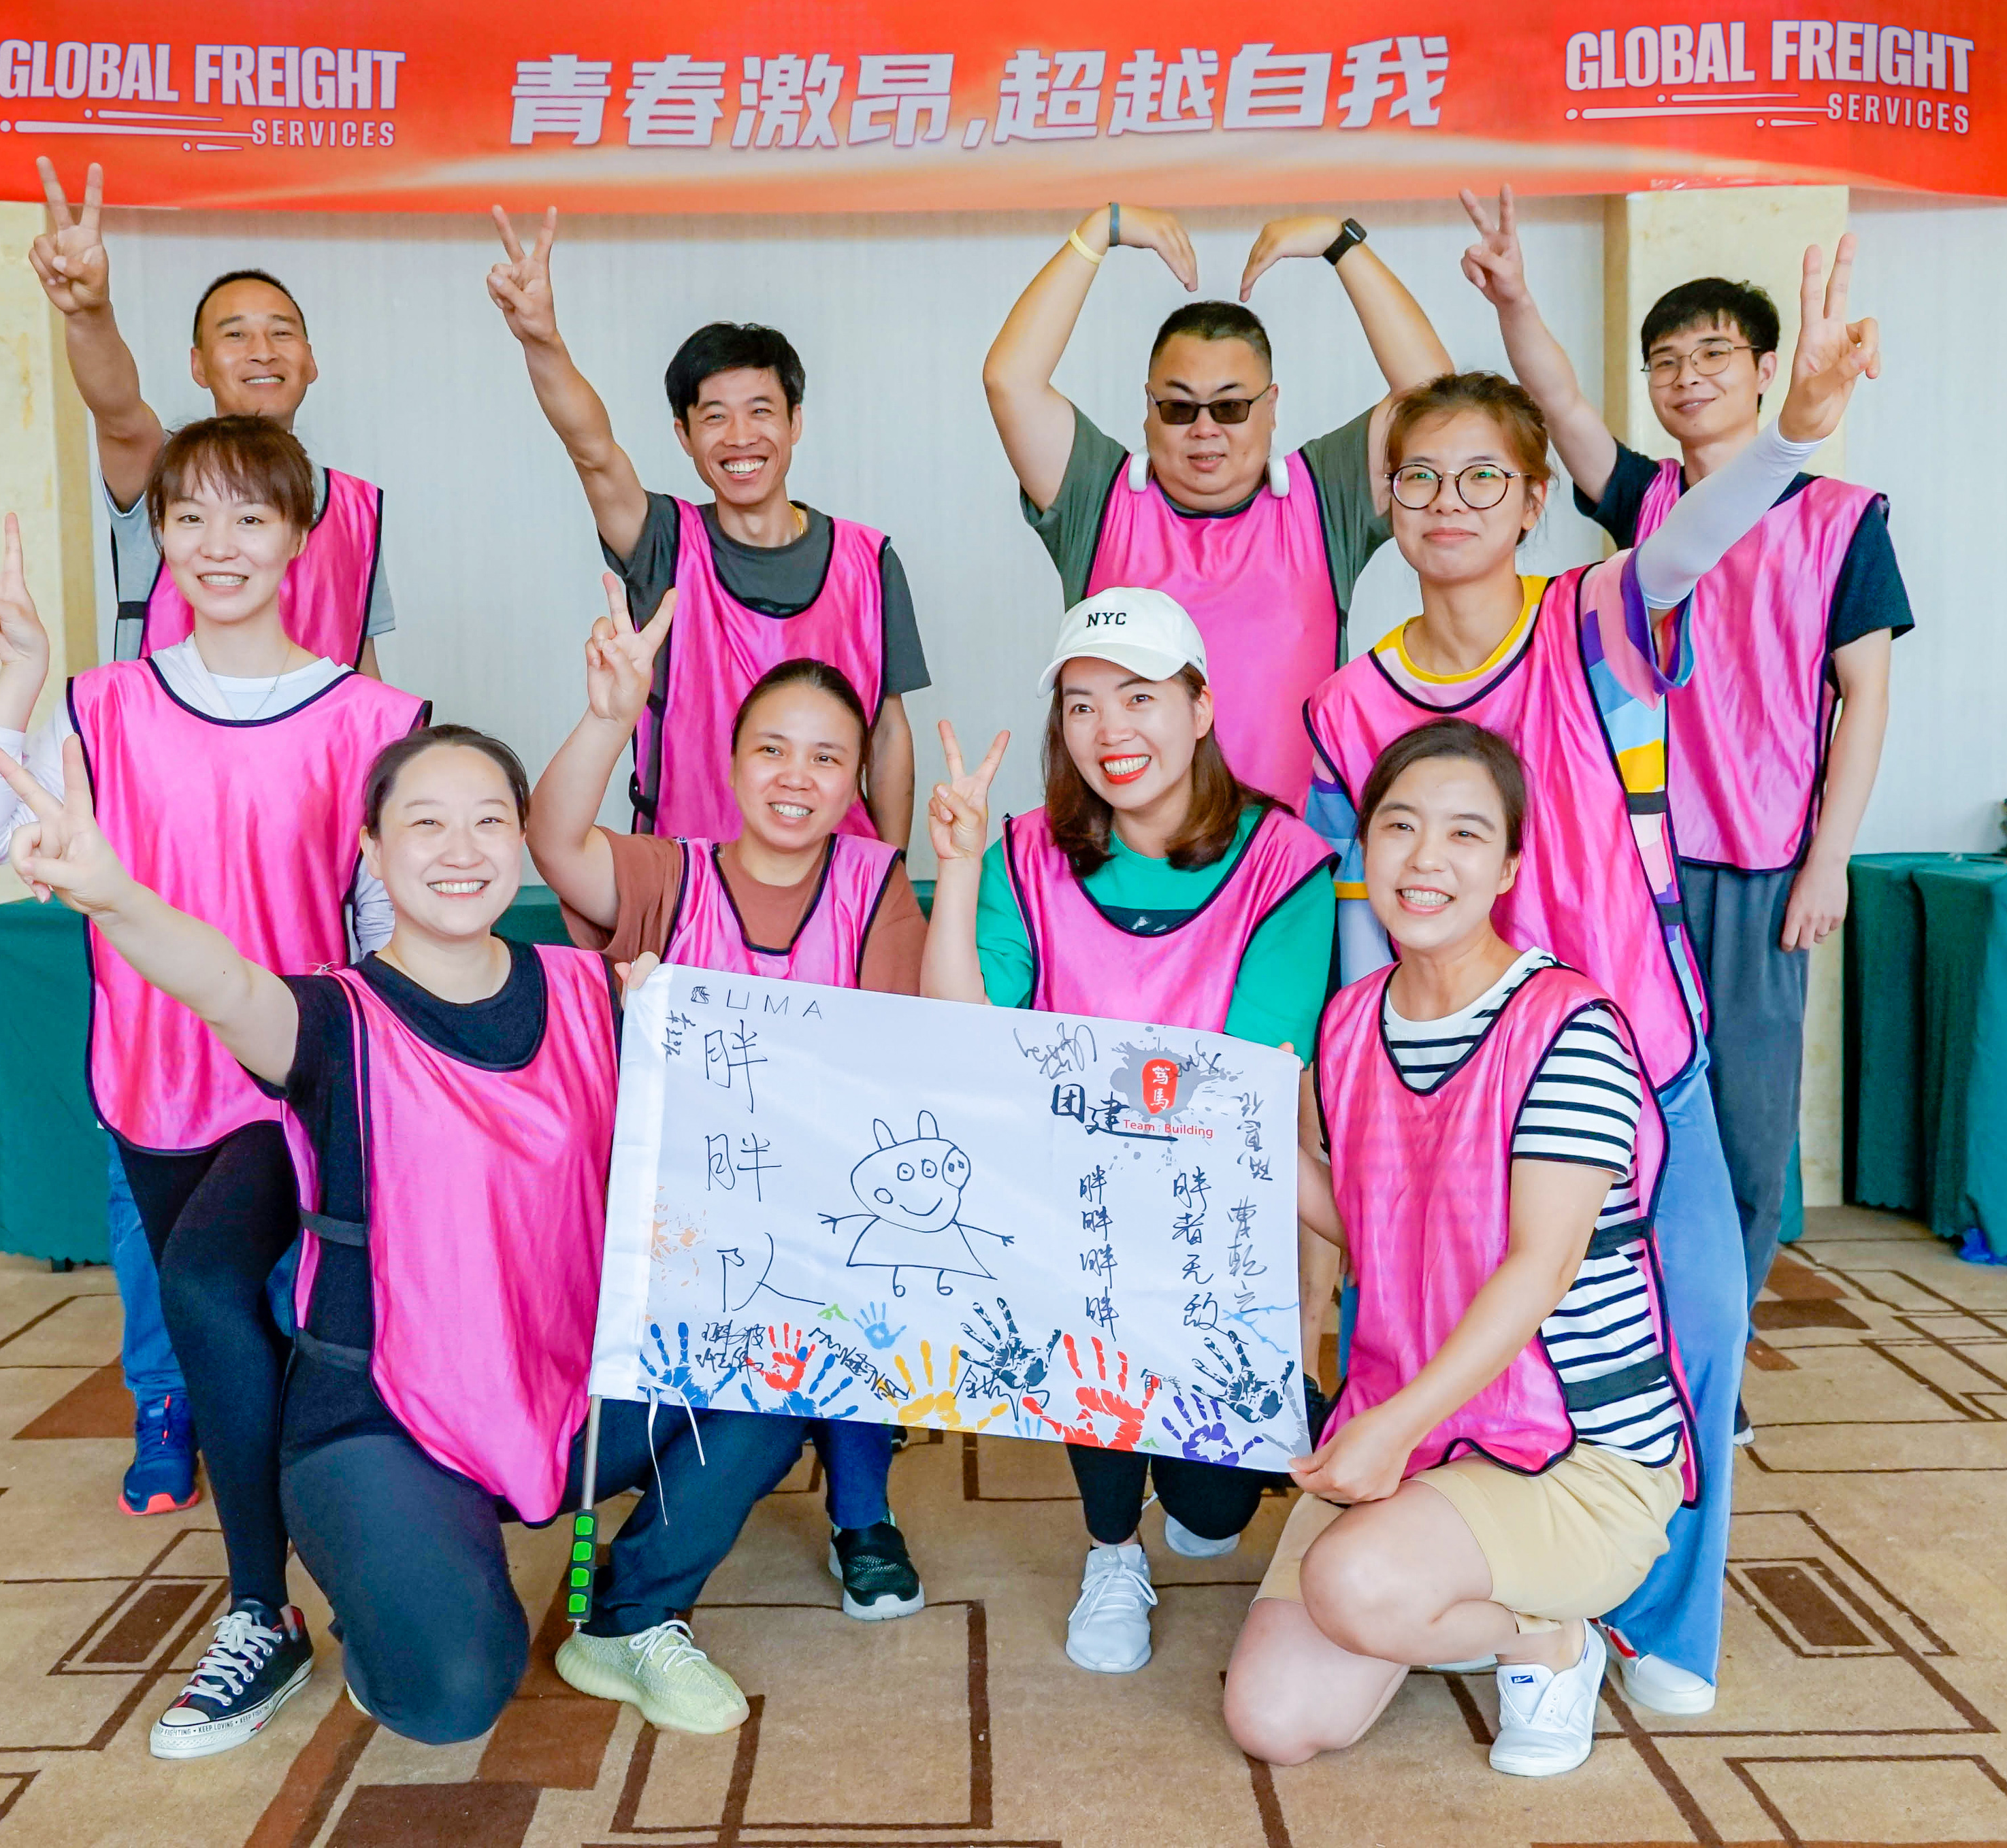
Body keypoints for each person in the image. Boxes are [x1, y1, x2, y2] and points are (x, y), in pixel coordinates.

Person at [1294, 237, 1880, 1720]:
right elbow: (1359, 917)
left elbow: (1689, 543)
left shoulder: (1594, 617)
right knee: (1481, 1336)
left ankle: (1662, 1623)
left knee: (1698, 1331)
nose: (1447, 503)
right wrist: (1361, 1086)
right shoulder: (1349, 701)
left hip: (1639, 1058)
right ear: (1387, 504)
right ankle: (1493, 1576)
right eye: (1418, 479)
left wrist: (1795, 430)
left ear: (1532, 496)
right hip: (1447, 1089)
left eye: (1481, 478)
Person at [0, 722, 811, 1745]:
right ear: (372, 851)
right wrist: (115, 896)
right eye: (426, 824)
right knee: (451, 1692)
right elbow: (222, 981)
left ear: (519, 842)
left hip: (570, 1391)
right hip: (387, 1416)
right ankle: (390, 1584)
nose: (461, 850)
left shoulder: (595, 989)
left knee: (792, 1359)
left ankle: (630, 1616)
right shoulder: (327, 1019)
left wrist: (666, 1036)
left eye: (488, 822)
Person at [0, 417, 427, 1758]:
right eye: (191, 516)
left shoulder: (370, 718)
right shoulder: (102, 703)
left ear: (298, 537)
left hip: (292, 1087)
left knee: (215, 1288)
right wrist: (22, 670)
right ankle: (300, 1590)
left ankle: (270, 1602)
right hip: (151, 1085)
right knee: (234, 1334)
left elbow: (388, 927)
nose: (220, 544)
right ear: (158, 535)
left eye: (251, 517)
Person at [1463, 186, 1912, 1304]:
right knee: (1626, 1112)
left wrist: (1829, 860)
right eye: (1664, 360)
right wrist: (1514, 298)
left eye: (1712, 353)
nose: (1686, 376)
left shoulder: (1842, 521)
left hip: (1761, 870)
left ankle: (1717, 1348)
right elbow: (1558, 399)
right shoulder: (1643, 500)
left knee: (1750, 1131)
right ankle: (1628, 1333)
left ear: (1766, 370)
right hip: (1634, 865)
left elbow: (1866, 699)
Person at [1226, 722, 1692, 1777]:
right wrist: (1240, 1133)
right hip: (1424, 1428)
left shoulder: (1570, 1026)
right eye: (1399, 826)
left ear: (1511, 865)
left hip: (1575, 1452)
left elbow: (1542, 1266)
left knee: (1356, 1586)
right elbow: (1377, 1231)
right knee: (1275, 1720)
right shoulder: (1350, 1024)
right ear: (1366, 849)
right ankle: (1456, 1582)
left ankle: (1551, 1641)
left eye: (1465, 833)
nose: (1425, 858)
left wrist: (1388, 1427)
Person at [918, 587, 1335, 1674]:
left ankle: (1202, 1485)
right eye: (1081, 704)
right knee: (1085, 1305)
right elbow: (965, 1042)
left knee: (1216, 1506)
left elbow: (1242, 1078)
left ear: (1200, 708)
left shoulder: (1285, 862)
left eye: (1139, 697)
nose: (1109, 729)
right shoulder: (1023, 854)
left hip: (1212, 1223)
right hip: (1076, 1221)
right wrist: (957, 868)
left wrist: (1075, 1090)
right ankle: (1111, 1549)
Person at [529, 576, 934, 1620]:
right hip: (680, 1215)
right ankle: (649, 1475)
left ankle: (862, 1512)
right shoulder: (670, 873)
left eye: (827, 757)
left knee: (869, 1245)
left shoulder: (876, 881)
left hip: (822, 1205)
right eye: (772, 749)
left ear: (855, 781)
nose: (796, 776)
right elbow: (555, 844)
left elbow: (891, 1070)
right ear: (732, 761)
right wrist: (608, 718)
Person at [981, 203, 1452, 807]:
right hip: (1124, 852)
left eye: (1230, 407)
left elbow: (1435, 402)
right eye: (1179, 408)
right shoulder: (1094, 497)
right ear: (1149, 409)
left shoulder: (1326, 496)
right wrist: (1099, 231)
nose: (1205, 429)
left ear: (1271, 407)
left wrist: (1342, 244)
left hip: (1292, 852)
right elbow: (1010, 381)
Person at [487, 206, 930, 844]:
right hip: (686, 870)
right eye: (715, 416)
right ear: (684, 436)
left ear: (795, 422)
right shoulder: (661, 541)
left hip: (836, 872)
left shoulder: (868, 561)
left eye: (761, 411)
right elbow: (592, 450)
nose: (740, 436)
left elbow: (887, 732)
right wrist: (542, 340)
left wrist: (889, 872)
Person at [27, 158, 397, 674]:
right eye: (235, 334)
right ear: (198, 365)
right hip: (167, 729)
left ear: (311, 362)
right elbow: (118, 415)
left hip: (318, 733)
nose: (262, 351)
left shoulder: (356, 509)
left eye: (282, 333)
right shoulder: (161, 471)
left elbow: (362, 668)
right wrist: (89, 314)